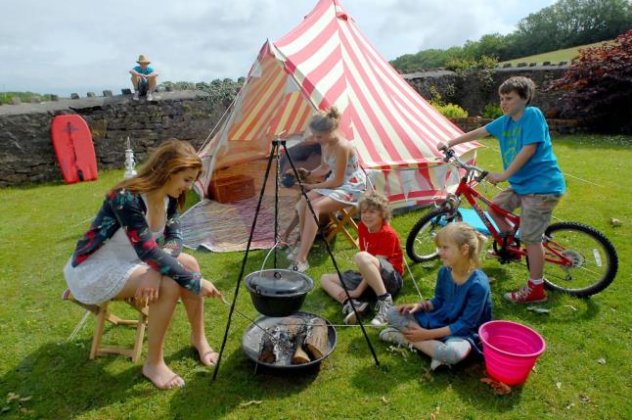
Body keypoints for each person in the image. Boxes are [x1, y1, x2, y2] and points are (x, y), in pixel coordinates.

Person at [63, 139, 222, 390]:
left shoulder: (170, 199)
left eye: (192, 180)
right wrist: (192, 282)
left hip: (134, 259)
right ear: (168, 171)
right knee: (169, 285)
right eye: (186, 179)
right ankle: (154, 363)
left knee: (189, 263)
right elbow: (148, 249)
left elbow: (174, 240)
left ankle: (198, 338)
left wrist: (153, 268)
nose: (189, 187)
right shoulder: (125, 197)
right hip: (96, 266)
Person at [439, 76, 565, 303]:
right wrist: (450, 142)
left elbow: (528, 149)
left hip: (542, 186)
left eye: (509, 98)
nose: (503, 103)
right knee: (495, 208)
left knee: (531, 237)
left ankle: (536, 288)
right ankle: (509, 245)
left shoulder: (532, 115)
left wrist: (504, 175)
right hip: (521, 185)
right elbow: (479, 132)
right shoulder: (505, 121)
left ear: (525, 99)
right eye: (501, 98)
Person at [379, 222, 492, 371]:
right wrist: (419, 306)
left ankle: (406, 338)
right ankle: (433, 350)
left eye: (445, 248)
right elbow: (438, 300)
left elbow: (466, 323)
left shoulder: (478, 285)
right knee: (392, 312)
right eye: (440, 248)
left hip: (462, 333)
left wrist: (425, 334)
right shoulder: (444, 271)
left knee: (454, 353)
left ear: (464, 250)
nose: (440, 252)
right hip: (439, 319)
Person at [287, 106, 367, 272]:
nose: (317, 139)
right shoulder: (326, 143)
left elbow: (337, 181)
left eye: (319, 136)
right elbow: (324, 168)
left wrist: (313, 186)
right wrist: (307, 174)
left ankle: (302, 259)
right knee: (304, 201)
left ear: (332, 130)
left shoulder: (342, 147)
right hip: (335, 182)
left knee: (314, 206)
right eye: (315, 135)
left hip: (351, 186)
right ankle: (302, 245)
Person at [321, 192, 404, 327]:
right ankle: (354, 304)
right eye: (364, 211)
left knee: (361, 257)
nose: (366, 215)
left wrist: (357, 291)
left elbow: (374, 264)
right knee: (325, 278)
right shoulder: (362, 227)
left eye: (372, 212)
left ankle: (385, 303)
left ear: (382, 214)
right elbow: (367, 265)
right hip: (369, 276)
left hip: (390, 280)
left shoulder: (387, 234)